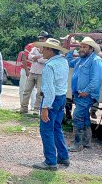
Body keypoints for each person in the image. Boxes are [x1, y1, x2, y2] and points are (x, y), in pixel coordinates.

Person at [32, 38, 70, 171]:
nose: (42, 51)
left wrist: (45, 107)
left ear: (49, 50)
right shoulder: (63, 61)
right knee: (56, 128)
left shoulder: (49, 66)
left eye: (44, 48)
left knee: (46, 130)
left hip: (52, 100)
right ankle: (63, 156)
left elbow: (49, 89)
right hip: (61, 98)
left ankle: (50, 161)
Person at [65, 37, 102, 152]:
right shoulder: (80, 60)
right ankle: (86, 142)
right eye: (80, 46)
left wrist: (86, 91)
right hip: (79, 94)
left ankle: (77, 144)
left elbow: (96, 79)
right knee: (84, 117)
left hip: (86, 95)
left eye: (84, 47)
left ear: (91, 49)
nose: (81, 49)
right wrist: (71, 50)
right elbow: (68, 62)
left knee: (77, 116)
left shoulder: (96, 60)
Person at [20, 31, 52, 113]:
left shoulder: (49, 49)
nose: (41, 40)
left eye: (42, 38)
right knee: (27, 90)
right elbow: (29, 57)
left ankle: (36, 109)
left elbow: (45, 60)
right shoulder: (35, 47)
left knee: (39, 93)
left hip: (41, 73)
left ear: (46, 39)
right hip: (33, 71)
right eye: (40, 38)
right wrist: (39, 57)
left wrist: (36, 58)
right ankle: (24, 108)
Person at [19, 43, 37, 110]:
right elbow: (24, 58)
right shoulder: (30, 46)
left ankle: (33, 106)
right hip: (26, 69)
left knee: (33, 89)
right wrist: (26, 70)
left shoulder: (42, 47)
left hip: (34, 70)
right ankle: (22, 105)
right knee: (23, 88)